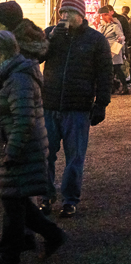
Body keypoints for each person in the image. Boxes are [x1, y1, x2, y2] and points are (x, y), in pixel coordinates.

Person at [40, 0, 112, 218]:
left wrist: (101, 103)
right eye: (62, 12)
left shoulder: (95, 39)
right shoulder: (51, 34)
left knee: (74, 157)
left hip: (78, 107)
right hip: (49, 104)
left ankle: (70, 200)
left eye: (69, 12)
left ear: (80, 14)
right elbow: (37, 57)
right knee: (45, 154)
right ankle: (46, 196)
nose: (64, 16)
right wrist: (50, 39)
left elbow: (104, 74)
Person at [0, 31, 67, 262]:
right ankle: (53, 234)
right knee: (16, 201)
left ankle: (10, 255)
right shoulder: (10, 74)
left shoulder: (19, 78)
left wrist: (12, 151)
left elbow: (24, 118)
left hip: (22, 149)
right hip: (18, 146)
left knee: (13, 203)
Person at [97, 6, 128, 96]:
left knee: (117, 69)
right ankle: (113, 87)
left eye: (103, 15)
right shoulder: (102, 26)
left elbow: (122, 36)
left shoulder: (115, 26)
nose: (102, 17)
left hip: (115, 50)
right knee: (111, 70)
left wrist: (119, 39)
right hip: (106, 50)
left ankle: (124, 87)